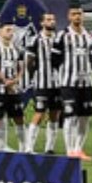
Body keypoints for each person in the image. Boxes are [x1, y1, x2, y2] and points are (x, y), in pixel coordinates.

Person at [55, 5, 92, 160]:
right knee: (70, 116)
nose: (77, 17)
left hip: (86, 82)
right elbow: (55, 59)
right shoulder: (62, 36)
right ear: (69, 17)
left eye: (79, 14)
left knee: (84, 117)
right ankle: (69, 150)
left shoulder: (90, 36)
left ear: (83, 16)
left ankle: (79, 148)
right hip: (68, 82)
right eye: (74, 14)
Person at [22, 11, 61, 153]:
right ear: (42, 23)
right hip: (42, 83)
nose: (51, 22)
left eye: (53, 19)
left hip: (57, 83)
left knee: (55, 114)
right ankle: (29, 147)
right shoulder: (35, 40)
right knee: (39, 113)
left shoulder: (59, 39)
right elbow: (29, 62)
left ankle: (49, 148)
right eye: (48, 19)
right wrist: (34, 77)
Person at [0, 20, 25, 152]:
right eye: (7, 30)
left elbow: (21, 67)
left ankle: (23, 148)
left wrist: (16, 80)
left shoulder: (16, 48)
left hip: (13, 89)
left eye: (12, 30)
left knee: (19, 118)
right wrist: (5, 82)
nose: (10, 32)